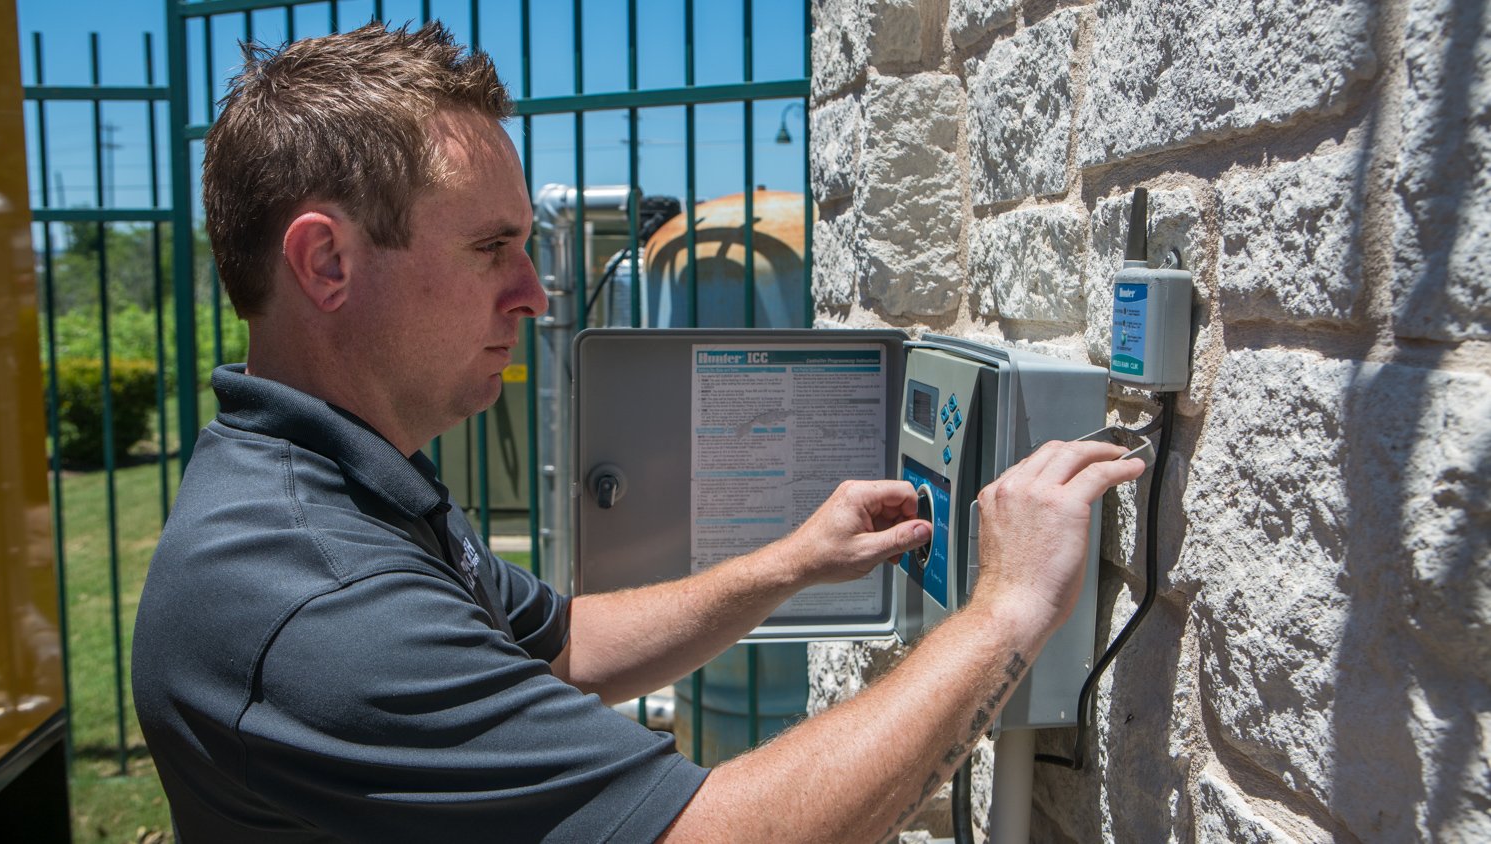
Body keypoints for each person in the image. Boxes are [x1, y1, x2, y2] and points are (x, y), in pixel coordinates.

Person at [131, 22, 1145, 843]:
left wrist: (791, 561)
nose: (534, 293)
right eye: (493, 249)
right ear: (326, 264)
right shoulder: (318, 600)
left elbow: (563, 644)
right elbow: (716, 834)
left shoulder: (336, 487)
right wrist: (1006, 613)